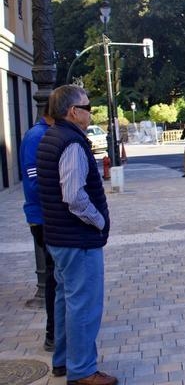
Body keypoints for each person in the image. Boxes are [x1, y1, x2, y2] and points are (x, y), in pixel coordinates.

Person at [37, 85, 117, 385]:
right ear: (73, 112)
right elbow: (73, 196)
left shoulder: (51, 137)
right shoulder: (72, 143)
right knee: (84, 304)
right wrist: (98, 221)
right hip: (77, 239)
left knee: (64, 299)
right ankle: (82, 371)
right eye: (88, 107)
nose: (90, 112)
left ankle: (63, 361)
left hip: (59, 237)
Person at [19, 107, 56, 352]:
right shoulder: (37, 136)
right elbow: (35, 183)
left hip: (49, 217)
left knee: (56, 276)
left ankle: (56, 333)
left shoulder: (46, 133)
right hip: (45, 218)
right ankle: (53, 334)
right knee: (55, 278)